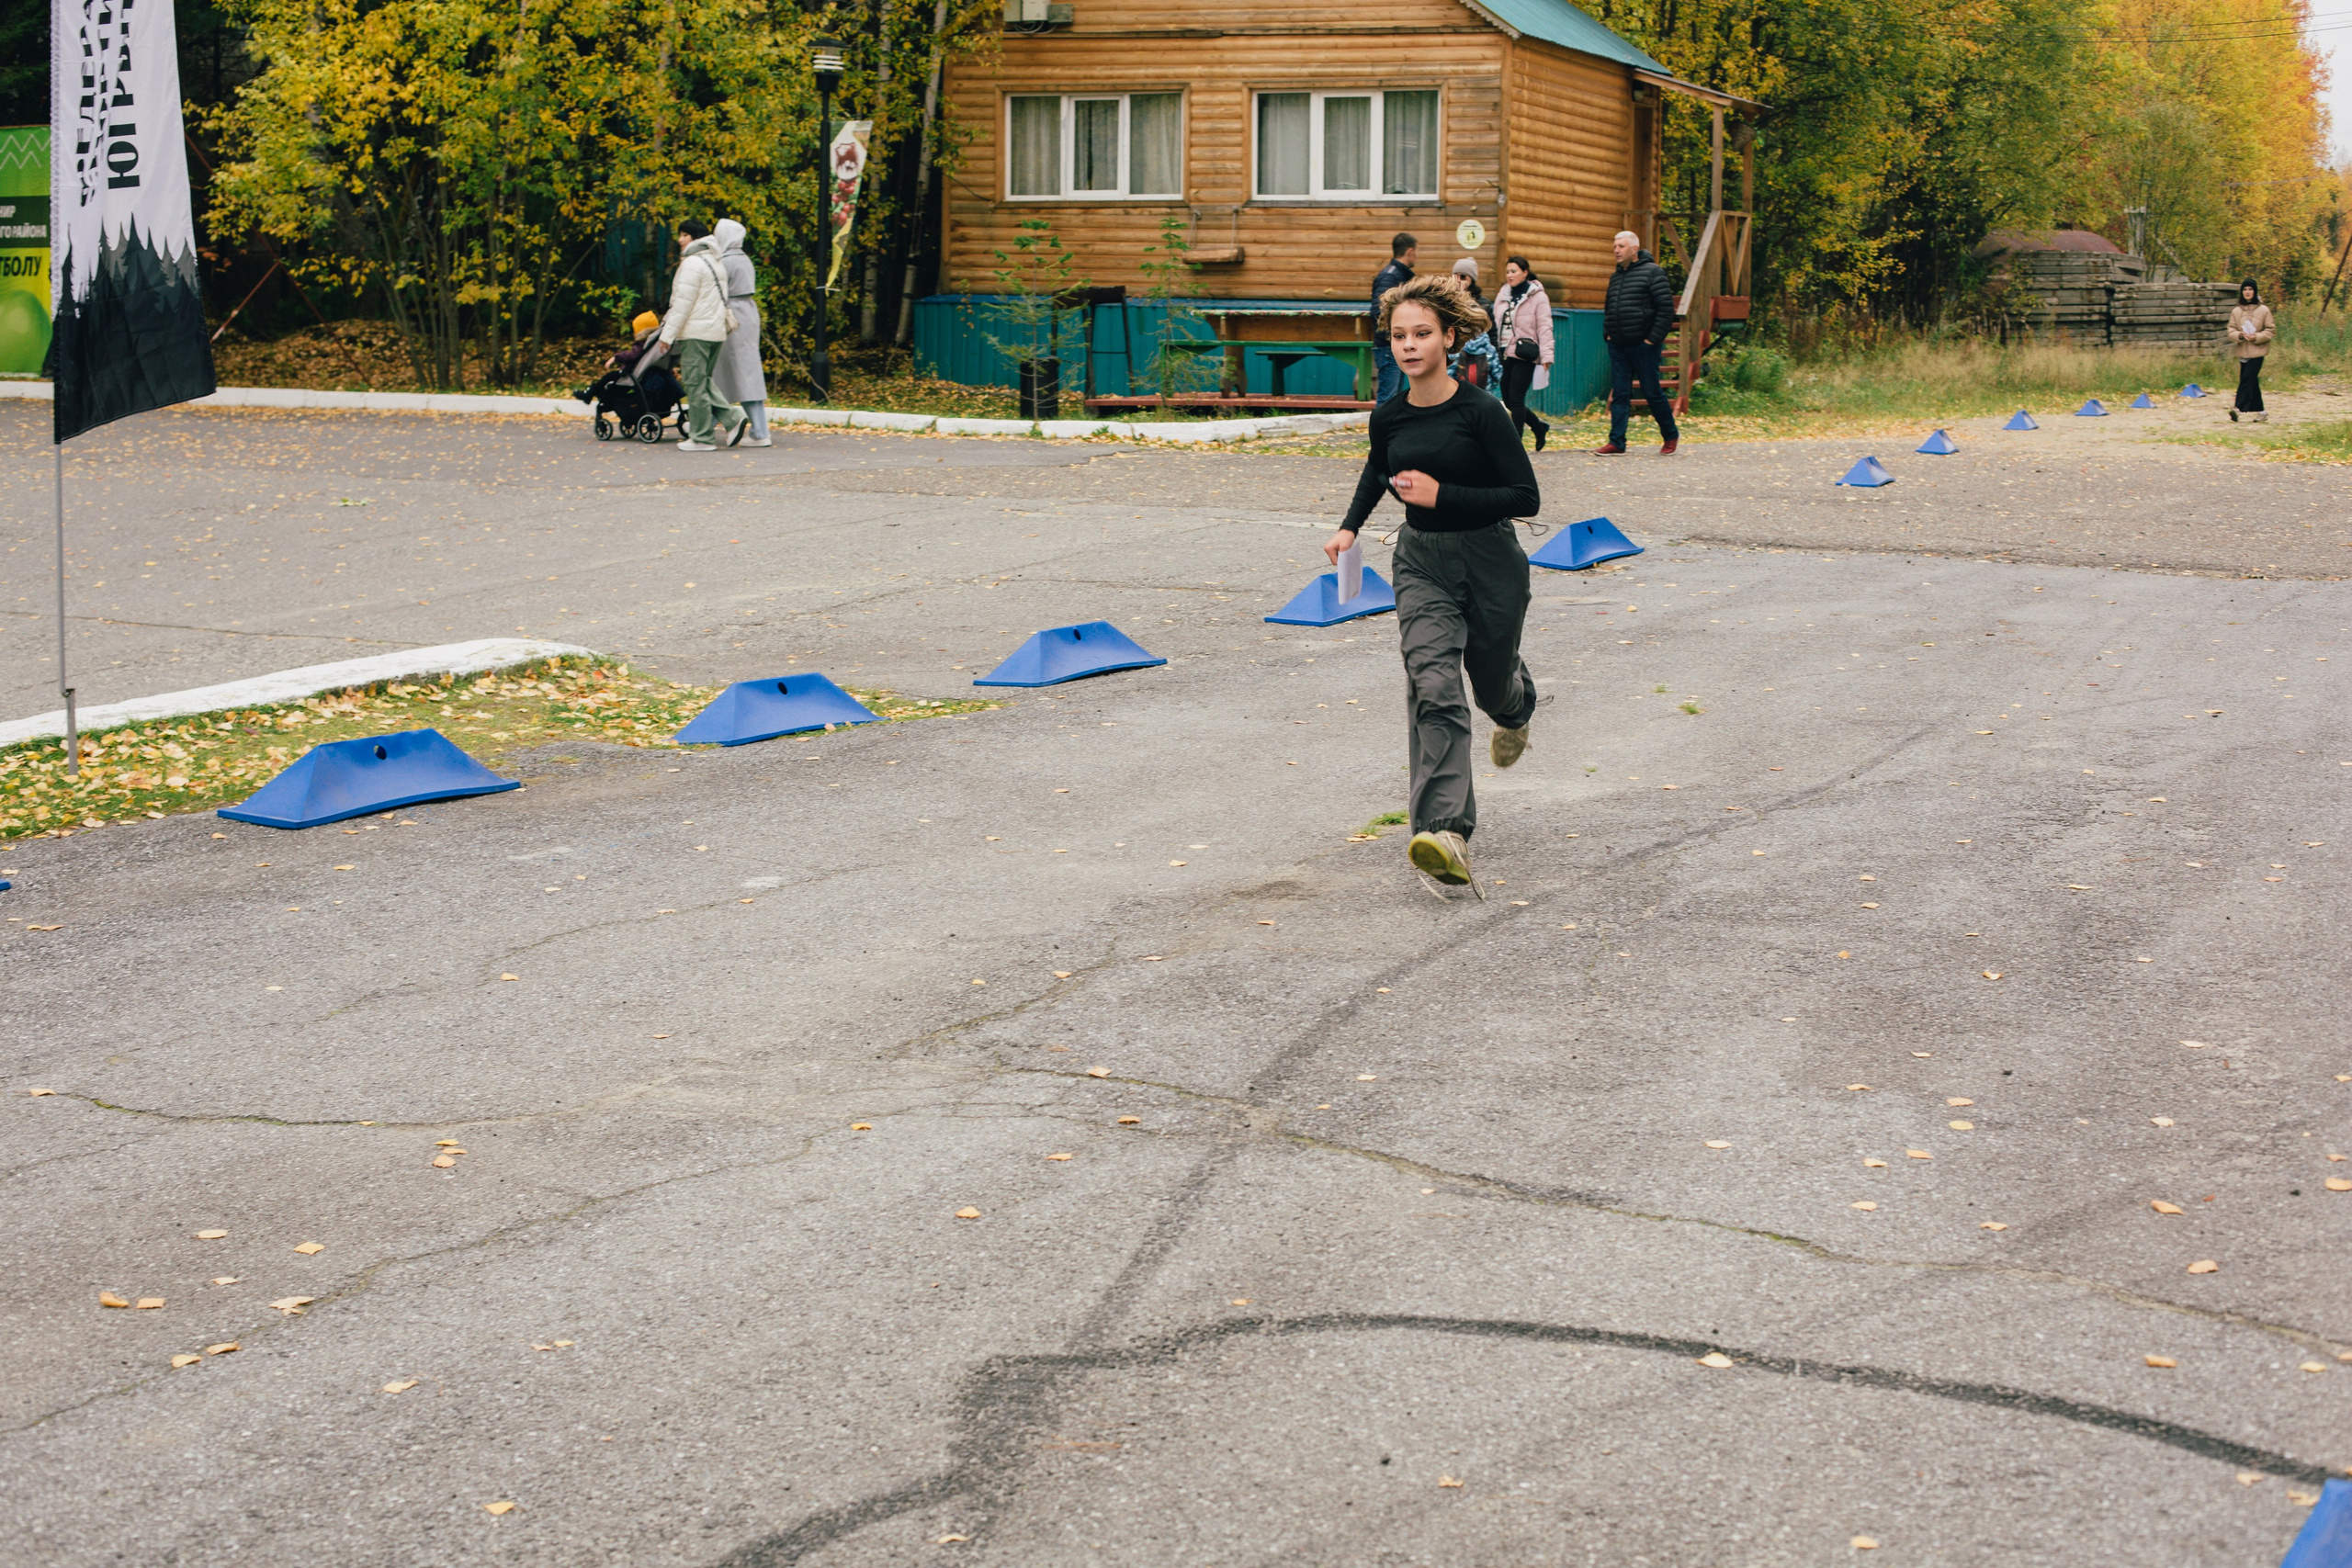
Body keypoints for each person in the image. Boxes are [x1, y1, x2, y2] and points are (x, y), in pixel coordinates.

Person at [1324, 273, 1541, 890]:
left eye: (1422, 333)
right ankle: (1445, 832)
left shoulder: (1481, 412)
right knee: (1434, 682)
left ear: (1450, 337)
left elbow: (1524, 496)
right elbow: (1377, 469)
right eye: (1398, 336)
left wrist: (1445, 493)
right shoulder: (1388, 416)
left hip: (1491, 558)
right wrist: (1348, 528)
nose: (1409, 345)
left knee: (1493, 683)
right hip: (1421, 562)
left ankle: (1516, 705)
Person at [650, 220, 747, 451]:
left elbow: (682, 304)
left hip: (696, 332)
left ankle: (702, 438)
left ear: (694, 237)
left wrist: (667, 335)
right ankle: (733, 419)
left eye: (684, 235)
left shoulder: (693, 263)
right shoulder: (715, 261)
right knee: (702, 381)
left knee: (694, 383)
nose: (680, 240)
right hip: (714, 332)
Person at [1593, 230, 1679, 456]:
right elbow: (1609, 307)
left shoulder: (1653, 273)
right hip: (1618, 345)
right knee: (1620, 394)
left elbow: (1666, 310)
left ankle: (1670, 435)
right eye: (1614, 246)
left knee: (1652, 392)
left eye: (1621, 246)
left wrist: (1652, 340)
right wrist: (1608, 334)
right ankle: (1616, 442)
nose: (1616, 251)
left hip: (1643, 345)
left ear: (1634, 249)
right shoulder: (1616, 276)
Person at [710, 220, 772, 447]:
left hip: (731, 317)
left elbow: (717, 292)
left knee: (726, 371)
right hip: (747, 315)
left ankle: (759, 431)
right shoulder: (744, 259)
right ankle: (758, 428)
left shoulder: (725, 262)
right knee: (745, 371)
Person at [1492, 255, 1554, 451]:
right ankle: (1539, 427)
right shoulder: (1503, 294)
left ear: (1525, 273)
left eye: (1514, 271)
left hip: (1526, 352)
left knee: (1517, 398)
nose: (1510, 275)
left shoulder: (1538, 296)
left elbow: (1545, 326)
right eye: (1508, 272)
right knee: (1509, 400)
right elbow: (1496, 323)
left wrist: (1547, 356)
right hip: (1505, 352)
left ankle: (1515, 445)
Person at [1369, 232, 1418, 402]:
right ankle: (1380, 430)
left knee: (1394, 398)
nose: (1416, 257)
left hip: (1392, 345)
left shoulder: (1398, 275)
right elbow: (1378, 311)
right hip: (1388, 347)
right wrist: (1394, 337)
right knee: (1388, 399)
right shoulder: (1390, 276)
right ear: (1410, 251)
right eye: (1416, 252)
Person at [1448, 259, 1502, 390]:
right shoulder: (1448, 300)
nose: (1458, 280)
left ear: (1471, 279)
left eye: (1463, 277)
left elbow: (1492, 332)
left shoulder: (1483, 304)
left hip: (1478, 358)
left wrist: (1496, 355)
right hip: (1454, 357)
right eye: (1455, 276)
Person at [2227, 278, 2274, 423]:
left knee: (2247, 379)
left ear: (2255, 291)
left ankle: (2237, 408)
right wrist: (2239, 335)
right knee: (2251, 381)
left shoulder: (2264, 310)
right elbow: (2230, 330)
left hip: (2258, 351)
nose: (2247, 292)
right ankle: (2262, 412)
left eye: (2250, 289)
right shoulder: (2236, 311)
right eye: (2245, 289)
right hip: (2243, 351)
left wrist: (2256, 337)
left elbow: (2271, 330)